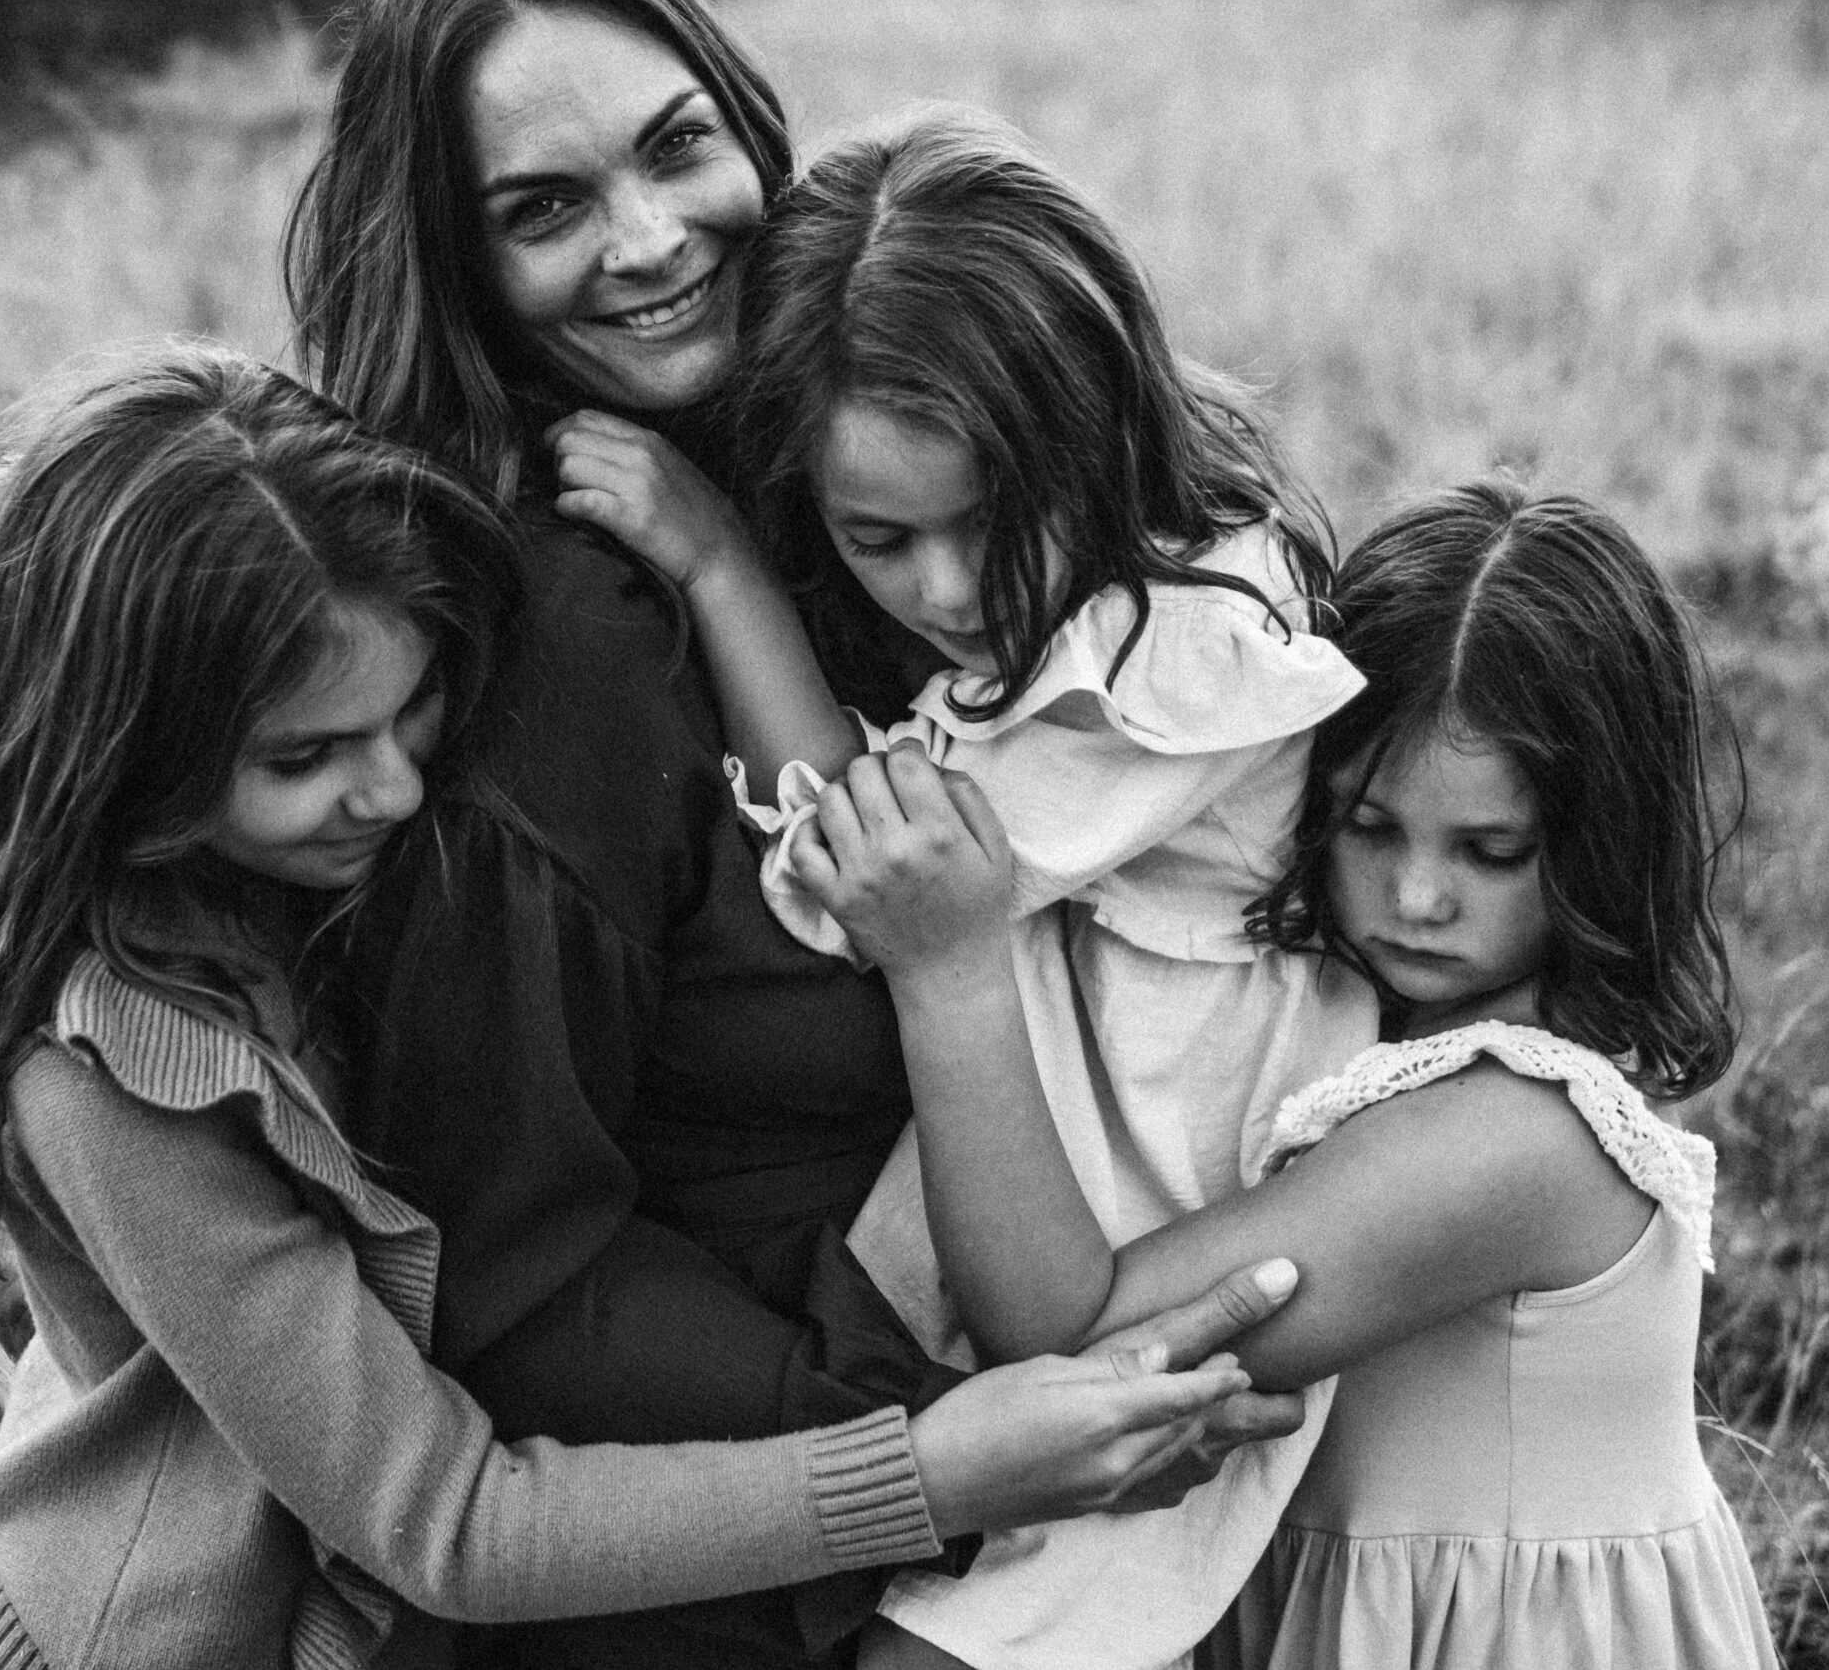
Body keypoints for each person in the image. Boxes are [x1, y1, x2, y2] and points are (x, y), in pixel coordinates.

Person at [0, 343, 1313, 1670]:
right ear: (123, 750)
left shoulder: (299, 871)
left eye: (411, 712)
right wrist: (938, 1467)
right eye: (308, 753)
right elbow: (441, 1519)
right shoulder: (107, 1075)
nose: (390, 788)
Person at [283, 0, 1308, 1669]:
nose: (653, 239)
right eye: (541, 210)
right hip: (745, 1536)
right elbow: (505, 1260)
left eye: (678, 145)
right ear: (452, 263)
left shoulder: (868, 454)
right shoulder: (559, 642)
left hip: (1030, 1401)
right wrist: (916, 1438)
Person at [550, 107, 1378, 1668]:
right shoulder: (1107, 593)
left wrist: (721, 566)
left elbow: (849, 873)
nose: (945, 591)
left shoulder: (1171, 650)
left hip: (1152, 1214)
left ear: (1099, 421)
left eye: (991, 520)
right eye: (877, 537)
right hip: (1016, 1202)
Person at [792, 482, 1778, 1670]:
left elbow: (1070, 1343)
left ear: (1607, 840)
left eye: (1490, 851)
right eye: (1368, 826)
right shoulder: (1363, 1032)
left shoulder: (1512, 1134)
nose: (1416, 897)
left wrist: (951, 971)